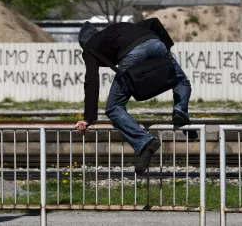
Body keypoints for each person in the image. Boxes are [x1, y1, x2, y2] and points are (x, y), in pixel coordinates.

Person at [75, 17, 197, 175]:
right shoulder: (118, 29)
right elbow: (153, 22)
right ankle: (180, 110)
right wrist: (166, 49)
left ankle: (146, 142)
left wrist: (88, 117)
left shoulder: (90, 47)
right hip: (156, 43)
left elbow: (91, 81)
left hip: (133, 54)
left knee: (113, 107)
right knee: (181, 81)